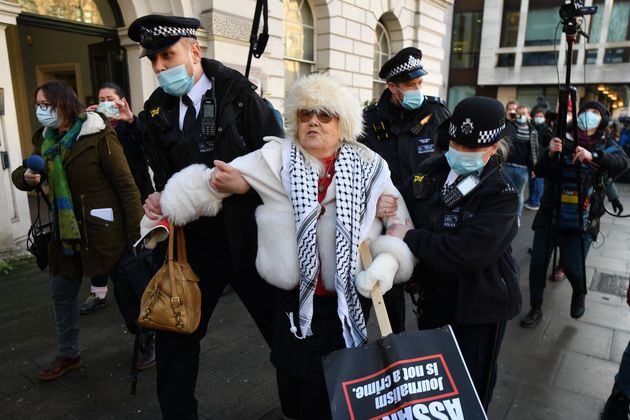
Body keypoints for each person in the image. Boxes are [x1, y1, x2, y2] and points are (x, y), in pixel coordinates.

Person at [157, 73, 417, 419]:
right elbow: (213, 180)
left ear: (343, 123)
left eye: (324, 114)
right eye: (305, 114)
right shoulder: (274, 157)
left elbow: (400, 219)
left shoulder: (371, 165)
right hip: (292, 296)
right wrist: (165, 202)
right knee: (292, 384)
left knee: (331, 386)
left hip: (346, 296)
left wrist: (386, 265)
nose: (313, 121)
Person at [125, 15, 283, 419]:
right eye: (153, 59)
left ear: (194, 51)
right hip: (189, 248)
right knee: (175, 341)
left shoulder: (240, 96)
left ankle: (301, 404)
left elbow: (282, 159)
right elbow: (159, 173)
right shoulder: (156, 110)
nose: (159, 66)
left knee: (285, 336)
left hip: (249, 240)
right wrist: (155, 198)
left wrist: (246, 186)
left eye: (167, 55)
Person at [387, 96, 522, 409]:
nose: (461, 153)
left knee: (468, 388)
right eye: (457, 143)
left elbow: (468, 253)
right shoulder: (432, 170)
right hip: (436, 299)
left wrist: (412, 238)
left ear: (494, 147)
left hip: (480, 307)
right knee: (434, 384)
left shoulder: (501, 193)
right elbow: (402, 202)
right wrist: (387, 206)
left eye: (473, 149)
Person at [11, 80, 143, 380]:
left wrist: (138, 235)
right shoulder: (46, 142)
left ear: (64, 104)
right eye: (37, 105)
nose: (40, 111)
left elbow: (126, 187)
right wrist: (28, 177)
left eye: (46, 105)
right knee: (61, 293)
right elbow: (23, 172)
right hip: (65, 234)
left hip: (104, 231)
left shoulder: (98, 136)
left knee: (127, 293)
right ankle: (69, 354)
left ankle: (146, 342)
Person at [359, 47, 450, 333]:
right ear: (392, 87)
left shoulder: (436, 114)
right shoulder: (369, 122)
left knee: (434, 301)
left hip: (428, 222)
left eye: (420, 83)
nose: (417, 90)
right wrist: (371, 202)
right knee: (391, 298)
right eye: (411, 85)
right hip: (390, 225)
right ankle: (397, 351)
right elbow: (357, 173)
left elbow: (453, 162)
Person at [520, 100, 629, 328]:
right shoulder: (561, 137)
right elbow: (539, 171)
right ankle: (536, 307)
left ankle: (579, 292)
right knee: (538, 261)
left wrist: (594, 156)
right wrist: (550, 153)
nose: (588, 116)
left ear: (603, 119)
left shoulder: (605, 144)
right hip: (550, 212)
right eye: (585, 112)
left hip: (584, 218)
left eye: (594, 113)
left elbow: (621, 163)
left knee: (572, 265)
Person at [80, 82, 154, 316]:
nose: (105, 104)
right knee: (103, 240)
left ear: (121, 100)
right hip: (105, 197)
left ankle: (148, 287)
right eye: (101, 100)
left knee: (138, 240)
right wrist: (83, 122)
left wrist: (130, 119)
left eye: (109, 99)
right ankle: (98, 292)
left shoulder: (132, 123)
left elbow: (149, 141)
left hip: (135, 192)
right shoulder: (91, 126)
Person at [503, 104, 539, 225]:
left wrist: (534, 168)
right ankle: (503, 216)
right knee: (504, 192)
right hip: (507, 166)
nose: (521, 116)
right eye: (519, 113)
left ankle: (516, 217)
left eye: (524, 113)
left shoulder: (532, 131)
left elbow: (534, 151)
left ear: (528, 115)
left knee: (518, 194)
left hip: (523, 169)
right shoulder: (509, 126)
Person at [524, 105, 552, 211]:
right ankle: (531, 198)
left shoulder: (546, 129)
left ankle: (536, 201)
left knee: (538, 180)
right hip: (531, 159)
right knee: (532, 181)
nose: (539, 117)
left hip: (539, 159)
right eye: (537, 115)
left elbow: (545, 145)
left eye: (541, 116)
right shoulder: (532, 127)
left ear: (544, 118)